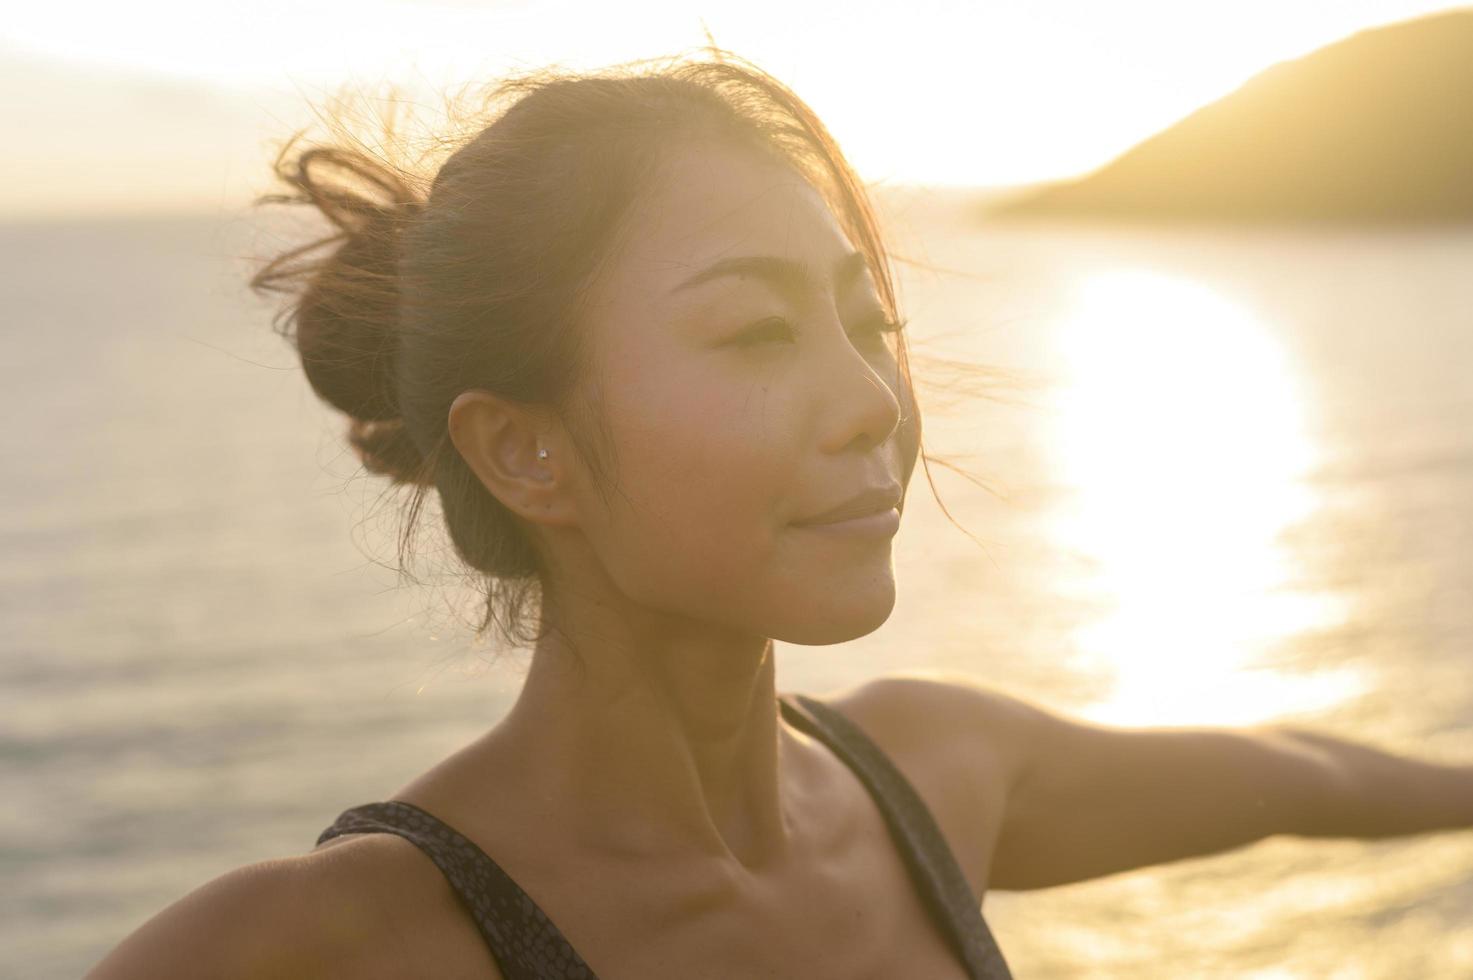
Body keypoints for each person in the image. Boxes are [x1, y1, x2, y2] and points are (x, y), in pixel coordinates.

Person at [89, 52, 1473, 979]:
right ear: (526, 453)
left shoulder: (933, 780)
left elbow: (1313, 773)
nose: (871, 398)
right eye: (754, 333)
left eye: (866, 323)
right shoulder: (347, 941)